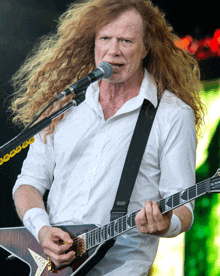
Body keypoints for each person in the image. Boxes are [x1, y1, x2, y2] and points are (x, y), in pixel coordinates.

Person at [10, 0, 205, 275]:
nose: (113, 51)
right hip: (54, 266)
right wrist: (42, 229)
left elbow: (184, 206)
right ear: (93, 44)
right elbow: (28, 183)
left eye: (126, 40)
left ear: (146, 48)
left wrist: (166, 224)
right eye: (105, 39)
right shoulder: (65, 106)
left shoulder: (172, 114)